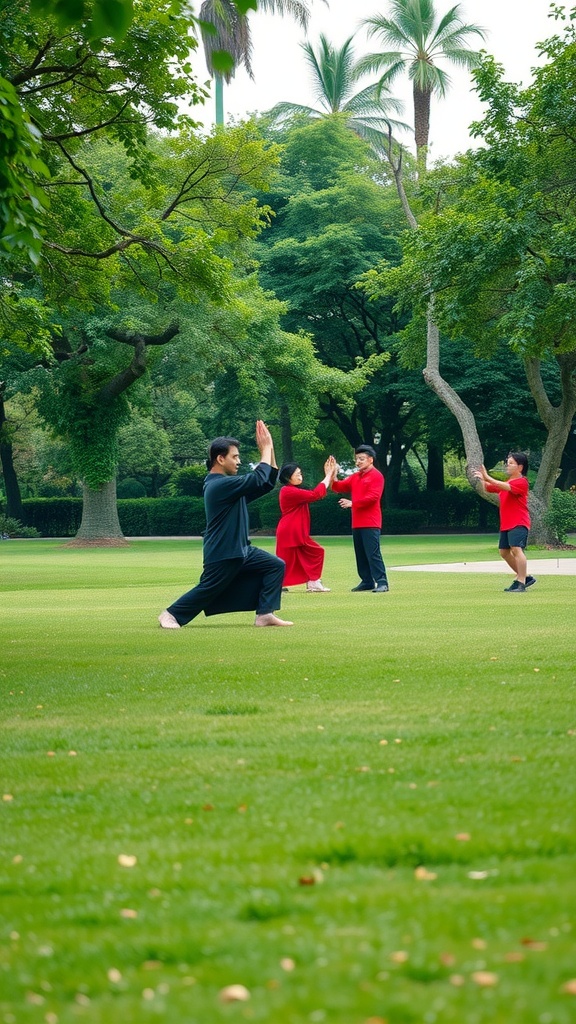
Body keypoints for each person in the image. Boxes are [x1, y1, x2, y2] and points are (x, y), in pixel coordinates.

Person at [158, 421, 293, 628]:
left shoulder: (230, 487)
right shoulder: (218, 485)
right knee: (209, 588)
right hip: (223, 551)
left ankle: (265, 614)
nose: (239, 462)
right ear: (220, 459)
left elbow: (266, 483)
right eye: (235, 457)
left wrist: (270, 448)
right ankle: (170, 614)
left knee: (274, 566)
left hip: (242, 550)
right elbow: (258, 477)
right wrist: (264, 450)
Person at [331, 444, 389, 593]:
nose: (358, 462)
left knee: (373, 553)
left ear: (370, 460)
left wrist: (352, 503)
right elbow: (338, 487)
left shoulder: (376, 476)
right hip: (357, 522)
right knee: (361, 553)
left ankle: (382, 582)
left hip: (371, 522)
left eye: (361, 459)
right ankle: (367, 581)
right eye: (357, 459)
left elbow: (373, 497)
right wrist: (332, 475)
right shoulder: (356, 476)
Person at [475, 452, 536, 593]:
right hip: (506, 524)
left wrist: (487, 476)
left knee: (516, 549)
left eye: (511, 463)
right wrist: (481, 479)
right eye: (507, 463)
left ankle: (520, 583)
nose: (507, 466)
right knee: (504, 552)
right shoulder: (507, 483)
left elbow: (498, 484)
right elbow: (489, 487)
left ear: (520, 467)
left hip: (519, 522)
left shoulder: (522, 482)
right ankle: (525, 577)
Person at [275, 457, 337, 592]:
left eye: (300, 473)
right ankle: (312, 582)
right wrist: (328, 476)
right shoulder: (288, 491)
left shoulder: (292, 490)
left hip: (291, 530)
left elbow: (315, 494)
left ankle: (311, 582)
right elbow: (316, 494)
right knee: (313, 553)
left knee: (288, 560)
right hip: (291, 530)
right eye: (297, 474)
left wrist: (329, 476)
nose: (300, 476)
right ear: (287, 477)